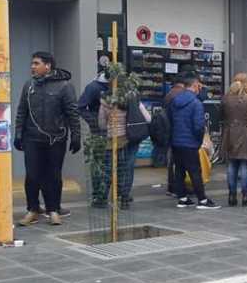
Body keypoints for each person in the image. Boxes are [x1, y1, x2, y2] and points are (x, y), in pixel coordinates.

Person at [14, 52, 81, 226]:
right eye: (32, 63)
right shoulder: (29, 86)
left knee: (53, 176)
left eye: (36, 63)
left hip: (56, 139)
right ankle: (33, 210)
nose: (32, 67)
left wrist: (76, 135)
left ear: (48, 66)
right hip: (32, 139)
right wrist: (18, 134)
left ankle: (53, 209)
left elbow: (72, 113)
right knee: (32, 176)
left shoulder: (64, 86)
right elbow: (22, 111)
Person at [168, 73, 220, 209]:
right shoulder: (196, 104)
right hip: (190, 143)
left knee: (179, 171)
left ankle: (182, 198)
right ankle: (202, 200)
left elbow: (171, 120)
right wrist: (198, 141)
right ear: (195, 85)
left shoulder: (175, 100)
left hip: (176, 141)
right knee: (195, 172)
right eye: (199, 86)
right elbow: (198, 126)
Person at [97, 86, 150, 211]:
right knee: (127, 168)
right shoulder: (133, 98)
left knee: (109, 168)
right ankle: (124, 198)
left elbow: (101, 124)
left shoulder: (105, 101)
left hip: (113, 139)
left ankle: (102, 198)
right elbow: (148, 118)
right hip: (130, 138)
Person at [221, 73, 247, 207]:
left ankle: (232, 195)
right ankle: (246, 196)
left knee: (231, 165)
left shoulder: (226, 99)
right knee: (245, 165)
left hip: (230, 134)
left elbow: (221, 116)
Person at [77, 69, 110, 206]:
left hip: (115, 131)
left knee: (110, 164)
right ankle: (99, 196)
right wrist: (95, 121)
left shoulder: (118, 87)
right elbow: (80, 107)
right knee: (99, 163)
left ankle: (108, 194)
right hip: (99, 132)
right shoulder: (94, 87)